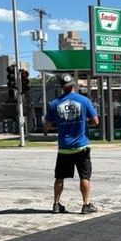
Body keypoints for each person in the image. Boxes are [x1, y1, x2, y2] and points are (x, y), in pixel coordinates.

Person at [44, 74, 99, 214]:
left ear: (61, 87)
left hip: (64, 148)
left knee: (59, 177)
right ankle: (86, 205)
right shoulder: (84, 100)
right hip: (81, 146)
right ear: (74, 85)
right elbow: (95, 121)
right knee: (85, 176)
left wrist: (61, 124)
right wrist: (84, 123)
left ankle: (56, 204)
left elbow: (48, 126)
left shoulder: (54, 103)